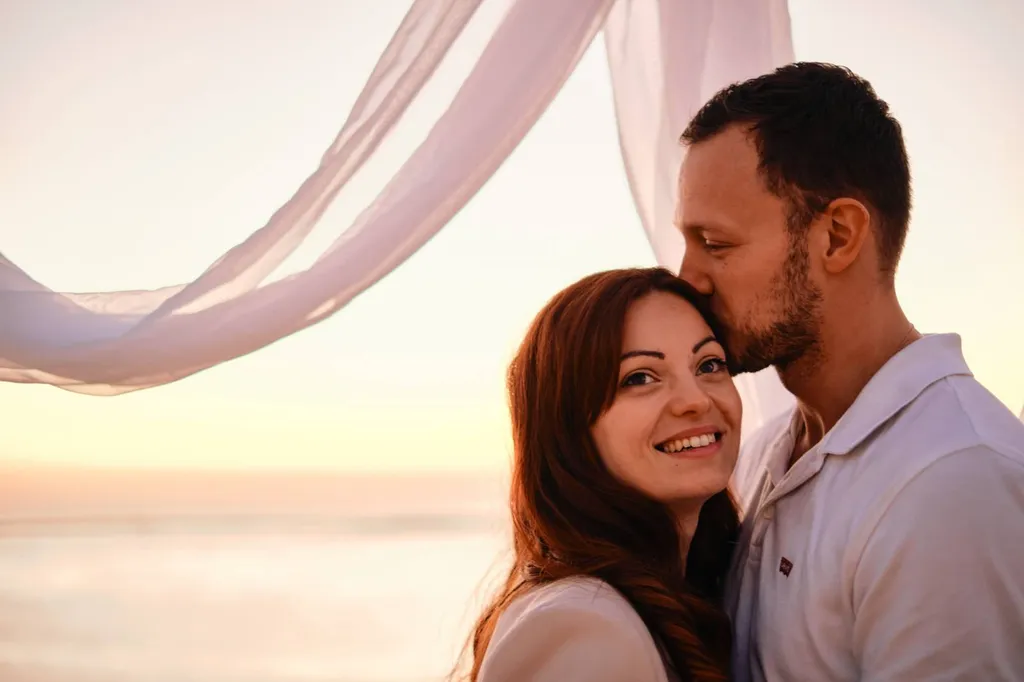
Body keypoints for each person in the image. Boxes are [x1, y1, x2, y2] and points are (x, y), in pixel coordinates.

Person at [674, 61, 1024, 681]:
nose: (688, 278)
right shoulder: (761, 455)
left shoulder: (953, 483)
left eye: (716, 244)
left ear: (836, 236)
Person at [455, 268, 744, 682]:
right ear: (569, 428)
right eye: (640, 377)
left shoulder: (689, 594)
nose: (695, 400)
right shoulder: (583, 626)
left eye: (709, 364)